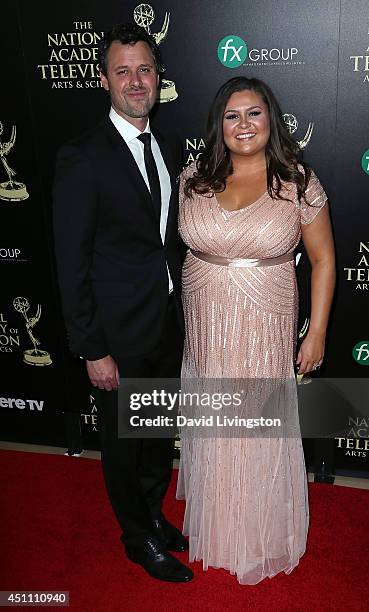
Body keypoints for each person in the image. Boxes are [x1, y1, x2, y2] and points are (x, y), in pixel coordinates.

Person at [176, 76, 335, 585]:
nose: (243, 125)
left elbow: (325, 260)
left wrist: (317, 334)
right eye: (231, 115)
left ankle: (261, 533)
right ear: (218, 125)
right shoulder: (193, 176)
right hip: (205, 322)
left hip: (264, 325)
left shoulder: (298, 181)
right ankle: (219, 529)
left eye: (254, 113)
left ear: (272, 118)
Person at [53, 22, 193, 583]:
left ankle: (153, 516)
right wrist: (92, 347)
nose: (136, 81)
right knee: (124, 445)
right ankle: (137, 539)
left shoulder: (163, 145)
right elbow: (71, 263)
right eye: (123, 71)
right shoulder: (82, 156)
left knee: (158, 436)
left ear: (158, 77)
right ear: (105, 80)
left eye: (145, 70)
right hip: (115, 336)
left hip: (163, 324)